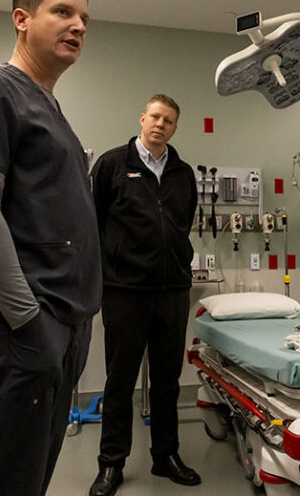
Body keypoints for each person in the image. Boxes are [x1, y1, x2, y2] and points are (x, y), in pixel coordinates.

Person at [0, 0, 101, 496]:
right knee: (7, 480)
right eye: (62, 12)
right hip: (31, 324)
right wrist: (27, 321)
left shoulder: (52, 112)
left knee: (31, 476)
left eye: (83, 19)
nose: (78, 25)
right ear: (22, 19)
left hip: (67, 323)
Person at [89, 94, 200, 496]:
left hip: (172, 290)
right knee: (119, 379)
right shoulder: (112, 165)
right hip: (125, 290)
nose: (160, 124)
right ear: (142, 118)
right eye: (155, 116)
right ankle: (111, 464)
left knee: (167, 380)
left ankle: (165, 456)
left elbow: (183, 222)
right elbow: (94, 222)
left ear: (174, 128)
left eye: (169, 120)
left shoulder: (183, 173)